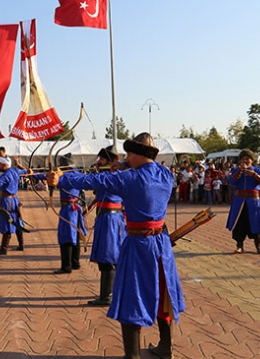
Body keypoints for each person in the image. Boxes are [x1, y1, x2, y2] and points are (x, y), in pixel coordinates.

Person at [47, 133, 185, 359]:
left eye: (130, 153)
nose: (127, 157)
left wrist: (62, 179)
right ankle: (166, 347)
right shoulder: (165, 174)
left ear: (138, 155)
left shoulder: (129, 179)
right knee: (163, 294)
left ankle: (132, 356)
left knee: (131, 297)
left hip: (139, 244)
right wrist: (122, 165)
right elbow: (138, 172)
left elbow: (95, 182)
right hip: (161, 245)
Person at [87, 146, 125, 306]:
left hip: (110, 219)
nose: (98, 162)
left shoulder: (110, 175)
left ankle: (107, 296)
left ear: (109, 161)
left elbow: (87, 182)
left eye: (101, 159)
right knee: (110, 255)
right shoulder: (110, 174)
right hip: (111, 218)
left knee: (108, 256)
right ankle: (111, 293)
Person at [226, 149, 260, 254]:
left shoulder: (257, 170)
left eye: (247, 159)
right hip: (239, 201)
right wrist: (240, 171)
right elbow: (232, 181)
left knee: (255, 223)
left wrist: (253, 174)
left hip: (253, 201)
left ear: (252, 160)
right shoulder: (236, 170)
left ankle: (258, 244)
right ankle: (239, 245)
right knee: (239, 223)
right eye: (243, 159)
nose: (245, 161)